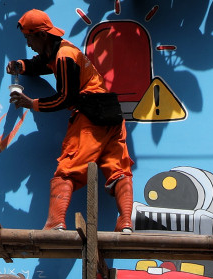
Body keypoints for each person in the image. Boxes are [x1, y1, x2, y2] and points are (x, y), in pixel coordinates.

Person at [7, 9, 133, 232]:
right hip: (112, 114)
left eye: (29, 38)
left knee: (67, 169)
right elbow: (41, 64)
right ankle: (125, 223)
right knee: (118, 170)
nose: (29, 44)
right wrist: (21, 66)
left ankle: (55, 222)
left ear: (42, 35)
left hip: (90, 116)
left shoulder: (64, 56)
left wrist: (31, 103)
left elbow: (66, 98)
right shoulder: (61, 50)